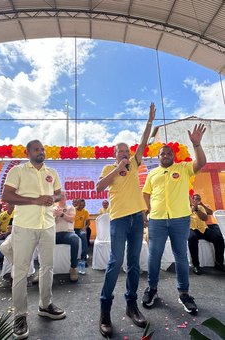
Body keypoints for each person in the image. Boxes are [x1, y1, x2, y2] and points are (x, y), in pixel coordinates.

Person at [97, 103, 156, 338]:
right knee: (115, 261)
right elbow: (100, 186)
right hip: (119, 220)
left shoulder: (134, 165)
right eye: (121, 152)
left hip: (136, 217)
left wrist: (149, 121)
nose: (125, 154)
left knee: (133, 263)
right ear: (115, 155)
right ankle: (105, 311)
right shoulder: (108, 168)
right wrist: (118, 167)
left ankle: (132, 306)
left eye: (126, 151)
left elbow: (143, 142)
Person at [2, 139, 66, 340]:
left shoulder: (51, 172)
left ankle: (45, 305)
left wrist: (52, 199)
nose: (41, 152)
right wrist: (35, 200)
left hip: (48, 225)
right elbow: (7, 196)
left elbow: (59, 194)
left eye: (43, 149)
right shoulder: (18, 170)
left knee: (47, 267)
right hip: (24, 226)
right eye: (37, 149)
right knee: (20, 271)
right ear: (27, 152)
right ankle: (20, 315)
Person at [142, 124, 207, 315]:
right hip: (157, 221)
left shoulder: (184, 168)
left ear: (174, 156)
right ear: (158, 157)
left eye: (169, 153)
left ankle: (184, 293)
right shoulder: (152, 174)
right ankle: (152, 289)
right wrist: (147, 211)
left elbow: (201, 163)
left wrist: (197, 145)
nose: (166, 156)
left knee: (181, 255)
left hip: (180, 219)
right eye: (162, 154)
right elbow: (146, 193)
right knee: (154, 255)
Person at [188, 195, 225, 275]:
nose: (193, 201)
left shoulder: (200, 207)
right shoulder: (183, 209)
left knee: (218, 238)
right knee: (192, 238)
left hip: (203, 229)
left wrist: (197, 209)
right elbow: (184, 218)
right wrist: (192, 209)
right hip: (191, 229)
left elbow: (205, 218)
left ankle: (219, 263)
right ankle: (196, 265)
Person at [54, 192, 80, 282]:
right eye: (60, 196)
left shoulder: (70, 207)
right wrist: (54, 215)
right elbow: (49, 222)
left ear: (66, 197)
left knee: (75, 239)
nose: (62, 197)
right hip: (54, 234)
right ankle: (42, 270)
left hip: (67, 234)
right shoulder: (52, 208)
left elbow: (71, 219)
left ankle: (73, 268)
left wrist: (61, 214)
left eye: (63, 196)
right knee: (42, 239)